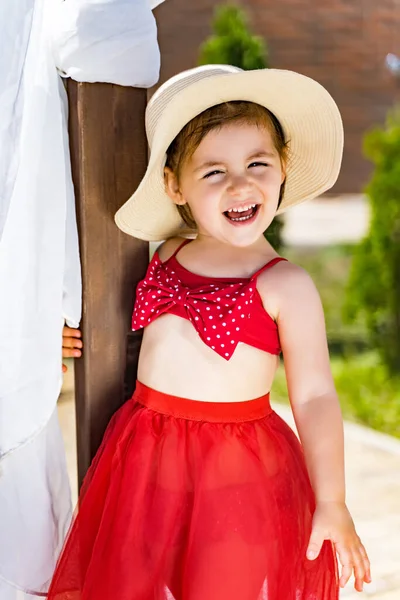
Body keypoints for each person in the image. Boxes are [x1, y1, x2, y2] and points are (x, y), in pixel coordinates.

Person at [51, 65, 371, 599]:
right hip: (144, 456)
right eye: (214, 172)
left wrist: (332, 500)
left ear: (283, 169)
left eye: (257, 163)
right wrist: (56, 332)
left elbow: (315, 394)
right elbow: (109, 316)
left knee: (220, 585)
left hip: (235, 471)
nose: (241, 183)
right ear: (175, 185)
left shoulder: (284, 284)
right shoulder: (169, 253)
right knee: (131, 580)